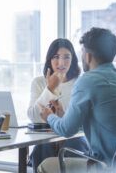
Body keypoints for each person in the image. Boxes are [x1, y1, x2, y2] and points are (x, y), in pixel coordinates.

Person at [37, 27, 116, 173]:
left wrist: (49, 116)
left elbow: (66, 130)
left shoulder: (87, 81)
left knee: (45, 165)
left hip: (105, 166)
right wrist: (63, 115)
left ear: (88, 56)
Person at [27, 38, 89, 173]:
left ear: (73, 60)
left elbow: (82, 123)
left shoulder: (81, 82)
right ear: (49, 59)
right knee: (43, 146)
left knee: (74, 143)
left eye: (67, 57)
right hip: (47, 139)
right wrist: (49, 88)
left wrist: (62, 116)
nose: (61, 63)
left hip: (74, 138)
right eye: (56, 57)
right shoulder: (39, 82)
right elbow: (34, 116)